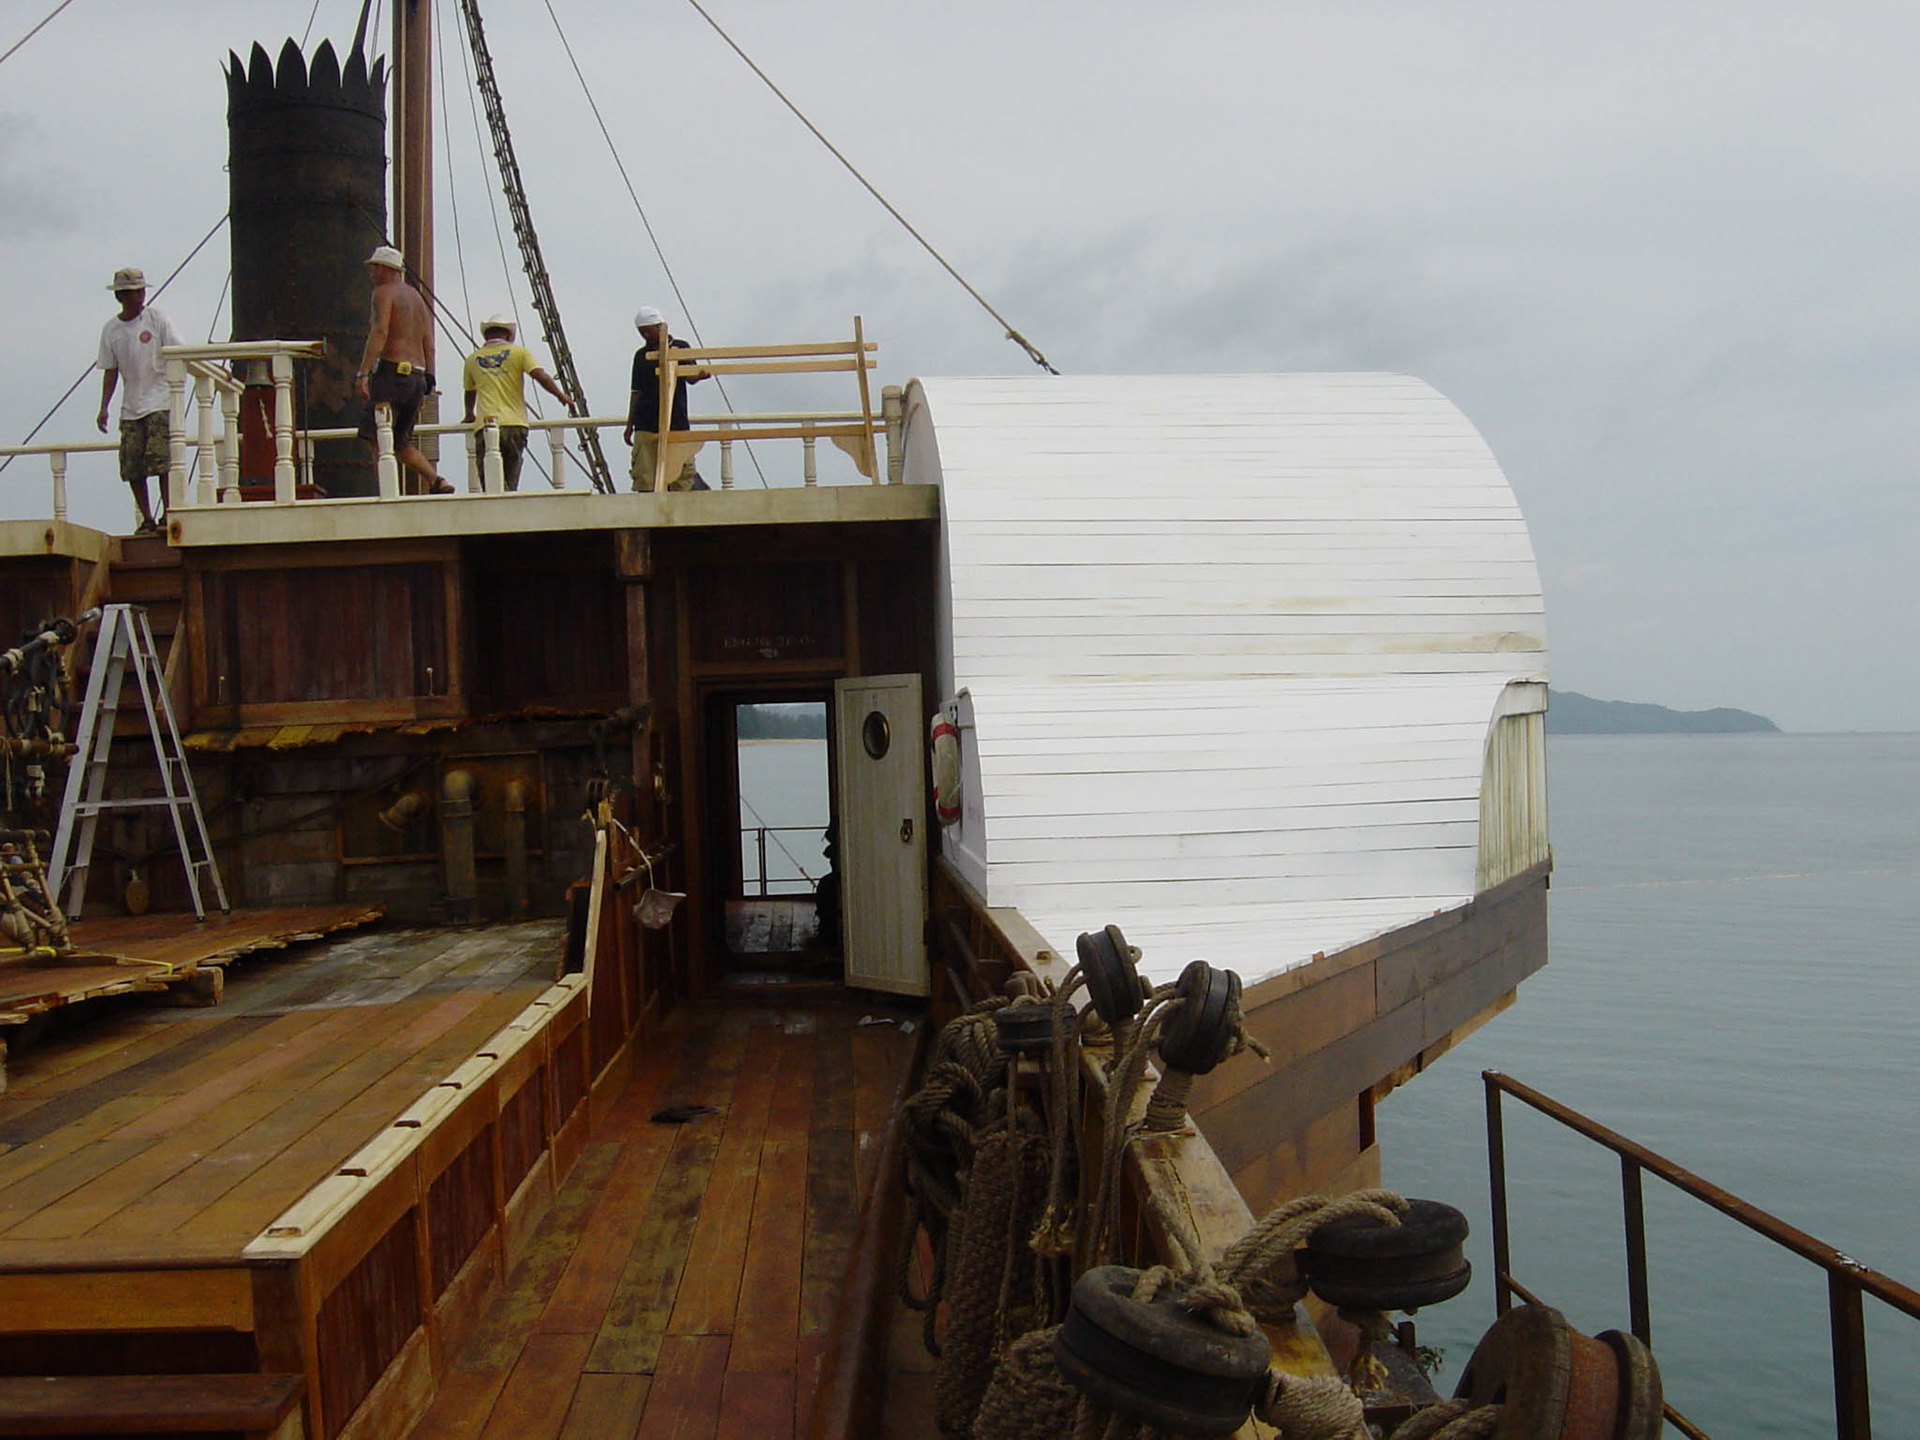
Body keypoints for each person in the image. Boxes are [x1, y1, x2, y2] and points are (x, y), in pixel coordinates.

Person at [354, 245, 452, 494]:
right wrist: (429, 378)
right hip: (417, 376)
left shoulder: (383, 292)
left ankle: (388, 492)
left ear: (385, 269)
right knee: (400, 442)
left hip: (392, 373)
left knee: (375, 436)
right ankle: (436, 480)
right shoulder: (417, 297)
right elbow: (429, 342)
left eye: (374, 268)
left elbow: (380, 331)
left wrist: (363, 372)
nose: (371, 274)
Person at [95, 266, 183, 535]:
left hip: (160, 400)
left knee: (161, 461)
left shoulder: (157, 319)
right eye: (134, 291)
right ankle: (147, 517)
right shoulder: (111, 330)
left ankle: (168, 513)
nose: (140, 295)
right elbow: (110, 370)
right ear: (121, 296)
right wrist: (104, 407)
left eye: (141, 290)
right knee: (133, 466)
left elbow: (180, 351)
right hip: (131, 406)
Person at [461, 313, 572, 491]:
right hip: (514, 424)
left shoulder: (472, 359)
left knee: (489, 483)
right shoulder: (519, 353)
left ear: (486, 335)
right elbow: (541, 376)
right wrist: (560, 395)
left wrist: (469, 414)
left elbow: (469, 391)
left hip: (485, 425)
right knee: (510, 481)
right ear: (507, 335)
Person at [623, 305, 708, 492]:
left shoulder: (680, 347)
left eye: (648, 331)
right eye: (642, 333)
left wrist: (700, 374)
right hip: (646, 422)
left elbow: (691, 377)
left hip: (676, 420)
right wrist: (630, 425)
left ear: (660, 327)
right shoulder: (641, 356)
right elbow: (636, 392)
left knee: (681, 478)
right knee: (645, 477)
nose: (646, 336)